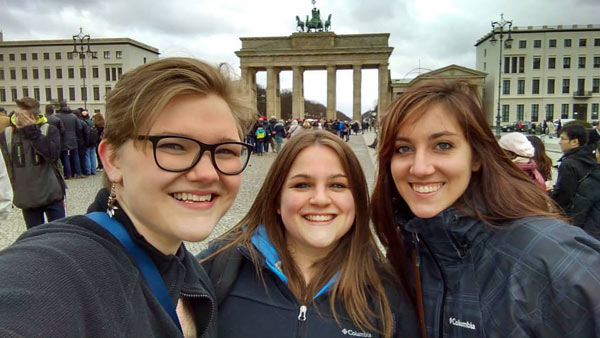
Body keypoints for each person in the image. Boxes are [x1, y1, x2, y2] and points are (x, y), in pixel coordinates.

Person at [0, 57, 255, 337]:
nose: (207, 173)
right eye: (173, 145)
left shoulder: (192, 274)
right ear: (112, 159)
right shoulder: (58, 269)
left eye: (226, 150)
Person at [371, 80, 600, 338]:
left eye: (443, 145)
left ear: (477, 156)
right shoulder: (408, 250)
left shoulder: (554, 259)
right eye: (404, 149)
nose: (420, 168)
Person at [199, 130, 418, 338]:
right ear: (277, 199)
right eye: (302, 185)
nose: (320, 199)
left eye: (338, 185)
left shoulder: (388, 294)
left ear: (357, 200)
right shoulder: (218, 267)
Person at [0, 97, 65, 228]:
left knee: (59, 232)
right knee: (35, 236)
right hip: (27, 196)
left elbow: (53, 155)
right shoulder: (7, 134)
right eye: (16, 115)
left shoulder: (48, 130)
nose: (17, 119)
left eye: (22, 116)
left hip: (52, 193)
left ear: (34, 117)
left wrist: (33, 132)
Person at [552, 124, 597, 213]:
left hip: (571, 213)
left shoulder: (568, 163)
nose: (559, 142)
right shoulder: (591, 157)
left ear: (574, 142)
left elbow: (564, 194)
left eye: (562, 139)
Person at [56, 102, 83, 179]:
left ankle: (68, 174)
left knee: (65, 156)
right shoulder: (73, 116)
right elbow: (79, 127)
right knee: (75, 155)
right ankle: (78, 172)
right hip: (73, 138)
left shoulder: (58, 116)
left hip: (63, 139)